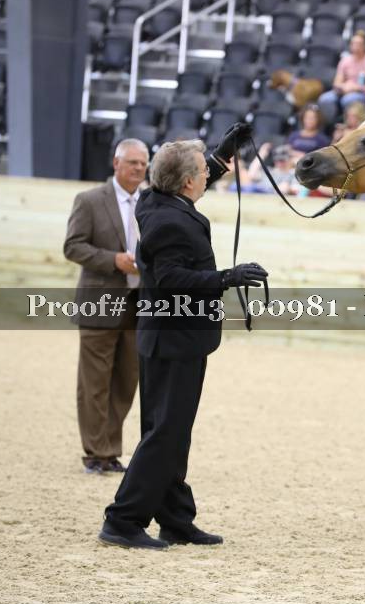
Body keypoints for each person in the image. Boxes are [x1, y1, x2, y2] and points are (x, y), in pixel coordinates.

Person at [99, 124, 270, 550]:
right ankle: (122, 519)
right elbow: (172, 279)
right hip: (174, 340)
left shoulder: (154, 199)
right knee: (165, 434)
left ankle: (175, 519)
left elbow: (181, 178)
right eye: (203, 172)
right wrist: (227, 277)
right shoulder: (171, 221)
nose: (207, 176)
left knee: (171, 432)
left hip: (168, 338)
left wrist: (220, 155)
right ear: (188, 182)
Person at [64, 138, 150, 475]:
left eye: (143, 164)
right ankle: (95, 452)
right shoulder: (89, 200)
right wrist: (113, 260)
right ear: (116, 163)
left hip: (138, 305)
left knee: (126, 382)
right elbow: (73, 246)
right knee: (94, 383)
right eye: (132, 162)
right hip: (99, 303)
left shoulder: (150, 202)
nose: (139, 169)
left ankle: (110, 450)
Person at [317, 30, 365, 125]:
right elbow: (337, 83)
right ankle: (329, 125)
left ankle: (348, 125)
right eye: (353, 43)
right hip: (344, 90)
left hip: (362, 93)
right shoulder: (345, 60)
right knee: (325, 99)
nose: (355, 46)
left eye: (359, 44)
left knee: (348, 99)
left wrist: (355, 88)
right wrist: (344, 87)